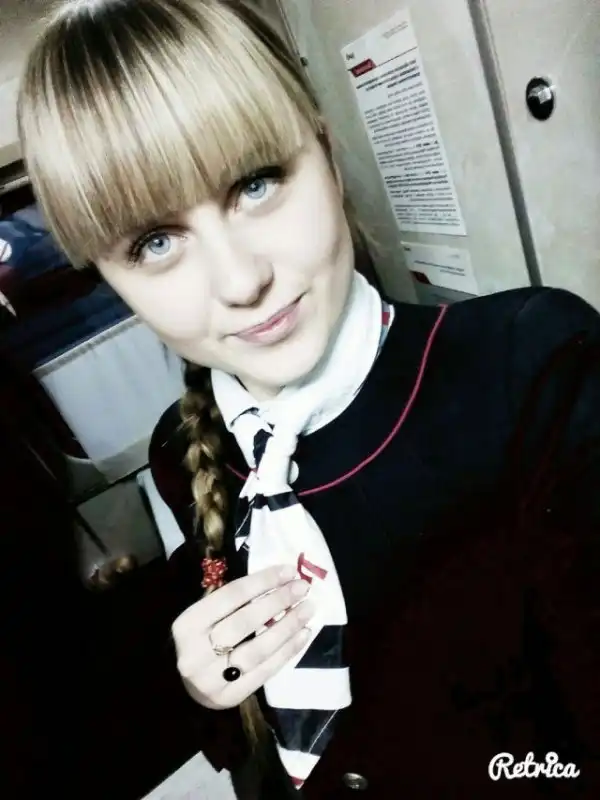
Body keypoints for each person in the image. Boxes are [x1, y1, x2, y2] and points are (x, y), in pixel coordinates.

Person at [18, 0, 600, 796]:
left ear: (326, 156)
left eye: (256, 184)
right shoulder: (182, 448)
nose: (240, 280)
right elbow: (245, 730)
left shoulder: (530, 369)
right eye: (154, 242)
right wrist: (204, 686)